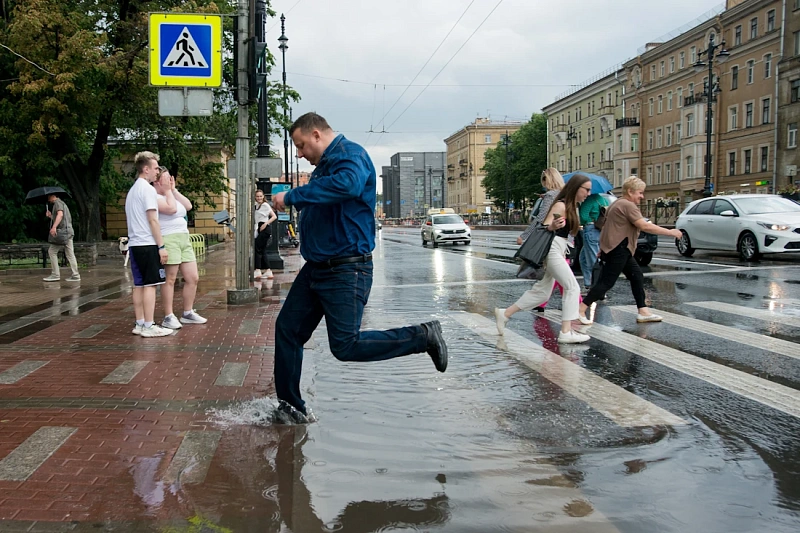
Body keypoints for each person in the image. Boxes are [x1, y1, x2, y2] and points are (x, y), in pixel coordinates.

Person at [270, 112, 447, 424]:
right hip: (317, 268)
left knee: (345, 345)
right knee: (287, 329)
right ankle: (290, 407)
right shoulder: (325, 165)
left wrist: (293, 196)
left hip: (346, 270)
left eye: (300, 145)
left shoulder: (351, 155)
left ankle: (423, 336)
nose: (299, 154)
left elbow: (347, 186)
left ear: (316, 135)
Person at [495, 174, 593, 344]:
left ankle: (505, 313)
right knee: (572, 287)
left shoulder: (571, 206)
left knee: (542, 292)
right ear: (576, 188)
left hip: (559, 248)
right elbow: (544, 226)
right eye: (587, 190)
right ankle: (566, 332)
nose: (588, 194)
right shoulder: (561, 205)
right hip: (553, 249)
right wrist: (552, 226)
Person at [577, 176, 683, 324]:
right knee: (606, 283)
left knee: (636, 276)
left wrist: (603, 247)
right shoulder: (628, 205)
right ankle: (581, 309)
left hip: (619, 248)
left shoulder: (616, 203)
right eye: (640, 192)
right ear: (630, 191)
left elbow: (606, 228)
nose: (642, 196)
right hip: (619, 249)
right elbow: (644, 225)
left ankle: (643, 311)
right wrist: (671, 232)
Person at [125, 151, 175, 338]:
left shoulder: (133, 190)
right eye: (155, 168)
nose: (157, 172)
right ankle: (149, 324)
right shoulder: (147, 190)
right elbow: (153, 219)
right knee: (151, 284)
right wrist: (161, 246)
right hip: (147, 243)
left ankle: (140, 323)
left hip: (135, 244)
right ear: (146, 169)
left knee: (139, 285)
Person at [152, 166, 207, 330]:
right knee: (170, 279)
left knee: (193, 277)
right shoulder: (154, 196)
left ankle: (188, 312)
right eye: (166, 178)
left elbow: (188, 206)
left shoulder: (171, 194)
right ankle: (168, 316)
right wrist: (167, 191)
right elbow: (172, 209)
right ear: (157, 181)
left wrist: (173, 190)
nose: (169, 181)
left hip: (184, 238)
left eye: (170, 178)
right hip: (168, 238)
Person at [516, 167, 571, 313]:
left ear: (548, 180)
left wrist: (524, 236)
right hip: (564, 239)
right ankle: (573, 308)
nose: (543, 185)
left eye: (543, 181)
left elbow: (541, 218)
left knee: (564, 282)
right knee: (556, 279)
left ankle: (578, 308)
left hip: (552, 239)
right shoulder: (564, 195)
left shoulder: (551, 195)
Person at [43, 194, 80, 282]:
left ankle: (55, 274)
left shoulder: (58, 203)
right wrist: (51, 216)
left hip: (63, 233)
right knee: (70, 254)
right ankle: (76, 275)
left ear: (53, 196)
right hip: (68, 231)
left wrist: (54, 227)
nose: (48, 199)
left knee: (52, 251)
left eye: (49, 197)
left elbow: (60, 215)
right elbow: (61, 218)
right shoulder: (62, 203)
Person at [578, 192, 609, 290]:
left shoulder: (589, 200)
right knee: (583, 258)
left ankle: (598, 286)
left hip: (590, 229)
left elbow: (583, 217)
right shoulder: (603, 199)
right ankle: (588, 282)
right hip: (599, 229)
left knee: (593, 260)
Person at [253, 189, 277, 280]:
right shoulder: (257, 206)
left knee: (257, 248)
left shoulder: (265, 205)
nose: (259, 198)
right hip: (260, 228)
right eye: (257, 196)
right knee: (262, 250)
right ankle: (268, 271)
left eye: (260, 196)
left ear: (263, 196)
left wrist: (265, 224)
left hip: (264, 228)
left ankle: (258, 270)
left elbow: (274, 216)